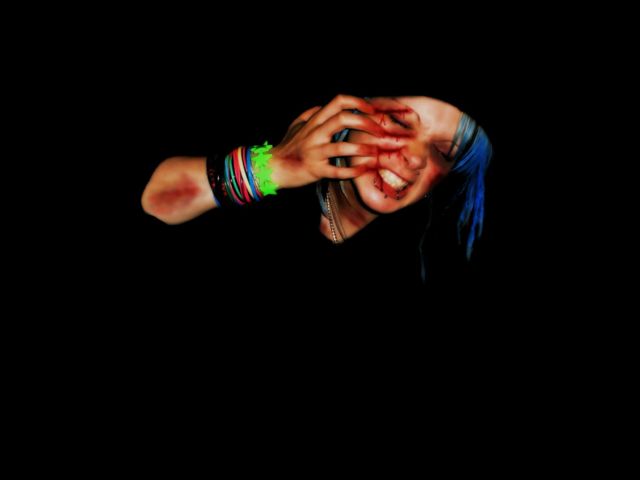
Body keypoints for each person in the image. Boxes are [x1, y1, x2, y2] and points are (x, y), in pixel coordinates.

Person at [141, 95, 493, 290]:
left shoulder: (438, 268)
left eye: (443, 151)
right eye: (399, 122)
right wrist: (273, 167)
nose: (415, 157)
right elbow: (154, 202)